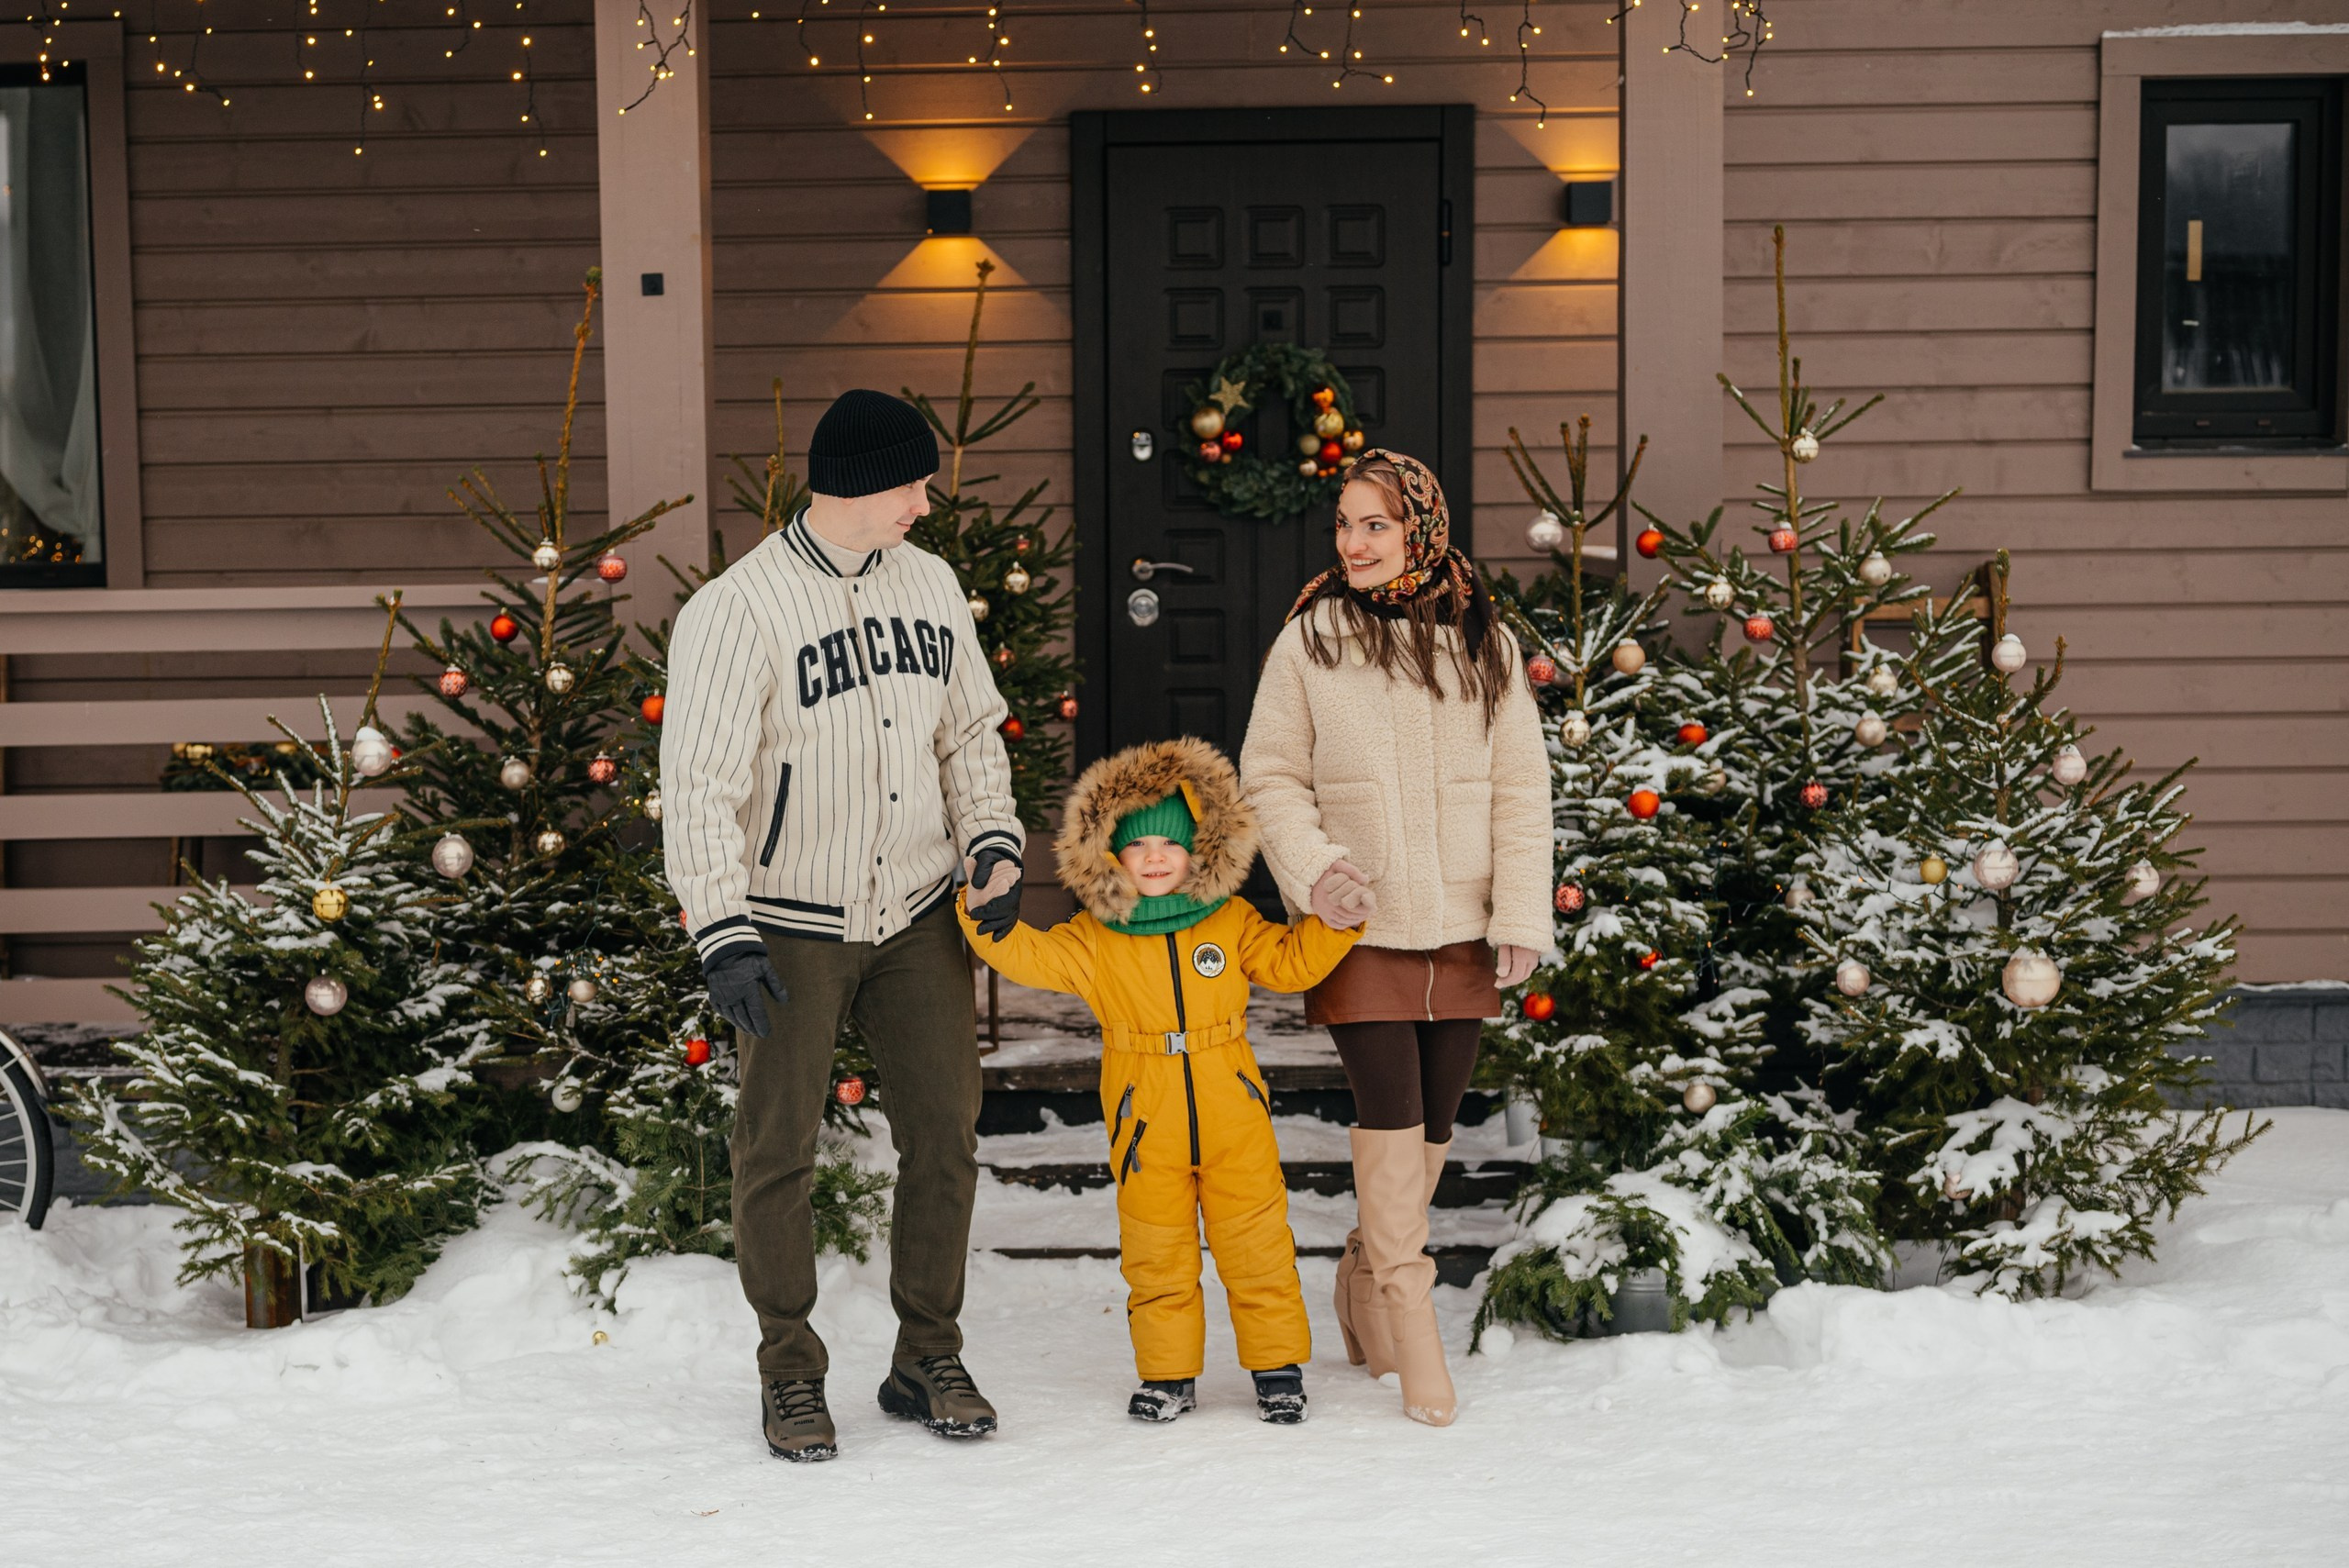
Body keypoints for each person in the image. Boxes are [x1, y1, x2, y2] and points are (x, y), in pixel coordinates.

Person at [662, 388, 1029, 1462]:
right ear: (864, 483)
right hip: (788, 922)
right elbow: (699, 785)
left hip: (918, 912)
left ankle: (928, 1353)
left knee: (945, 1138)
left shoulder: (934, 584)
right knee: (776, 1149)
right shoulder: (736, 610)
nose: (928, 501)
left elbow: (969, 735)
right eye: (915, 482)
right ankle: (788, 1366)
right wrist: (721, 927)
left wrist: (993, 840)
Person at [1239, 449, 1550, 1428]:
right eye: (1343, 523)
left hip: (1462, 925)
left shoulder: (1481, 641)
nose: (1354, 542)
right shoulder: (1310, 639)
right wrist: (1314, 868)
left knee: (1432, 1129)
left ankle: (1367, 1275)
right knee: (1389, 1116)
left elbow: (1518, 789)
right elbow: (1272, 774)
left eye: (1375, 524)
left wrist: (1520, 916)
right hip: (1358, 922)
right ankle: (1413, 1319)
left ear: (1420, 527)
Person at [957, 738, 1364, 1425]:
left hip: (1231, 1103)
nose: (1153, 857)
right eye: (1136, 844)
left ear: (1200, 849)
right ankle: (1169, 1374)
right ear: (1109, 854)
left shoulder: (1230, 921)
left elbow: (1290, 964)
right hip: (1145, 1113)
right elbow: (1028, 953)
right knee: (1157, 1250)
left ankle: (1276, 1366)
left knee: (1257, 1242)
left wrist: (1337, 925)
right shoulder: (1096, 936)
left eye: (1169, 844)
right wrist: (984, 917)